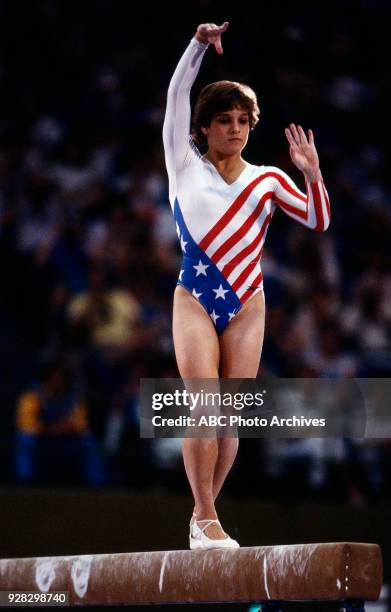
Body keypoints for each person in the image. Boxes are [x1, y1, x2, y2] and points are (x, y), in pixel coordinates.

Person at [162, 21, 330, 549]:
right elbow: (176, 94)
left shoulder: (269, 179)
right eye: (223, 120)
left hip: (247, 303)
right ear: (203, 128)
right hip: (195, 295)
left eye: (242, 121)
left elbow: (318, 220)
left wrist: (312, 173)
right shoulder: (183, 164)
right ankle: (206, 515)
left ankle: (202, 517)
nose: (234, 129)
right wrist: (197, 45)